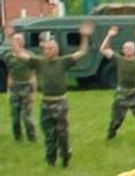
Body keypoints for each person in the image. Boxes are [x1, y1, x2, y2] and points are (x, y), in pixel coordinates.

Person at [5, 21, 93, 166]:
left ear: (57, 50)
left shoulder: (64, 62)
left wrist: (84, 36)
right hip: (46, 103)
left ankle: (65, 155)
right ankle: (50, 160)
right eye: (45, 49)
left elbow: (82, 52)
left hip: (60, 103)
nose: (48, 51)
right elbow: (20, 54)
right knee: (49, 134)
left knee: (62, 133)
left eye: (51, 48)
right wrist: (11, 38)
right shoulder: (39, 62)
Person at [98, 25, 135, 139]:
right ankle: (111, 136)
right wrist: (109, 36)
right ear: (123, 50)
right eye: (126, 48)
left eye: (131, 48)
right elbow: (103, 49)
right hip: (122, 95)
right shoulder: (118, 59)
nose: (129, 50)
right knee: (115, 121)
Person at [2, 25, 37, 142]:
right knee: (15, 117)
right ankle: (18, 137)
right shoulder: (8, 56)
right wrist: (8, 90)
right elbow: (10, 74)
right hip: (14, 87)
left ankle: (32, 137)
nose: (17, 42)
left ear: (23, 42)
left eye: (19, 40)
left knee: (26, 116)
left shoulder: (29, 56)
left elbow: (33, 75)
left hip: (26, 86)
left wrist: (34, 91)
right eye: (15, 40)